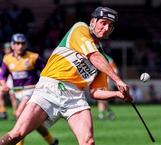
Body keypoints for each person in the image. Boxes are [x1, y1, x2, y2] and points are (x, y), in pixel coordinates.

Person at [0, 7, 132, 145]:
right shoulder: (80, 28)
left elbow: (94, 92)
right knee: (17, 134)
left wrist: (118, 94)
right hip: (49, 88)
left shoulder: (103, 61)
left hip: (75, 97)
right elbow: (93, 56)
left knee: (88, 141)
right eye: (103, 23)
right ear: (93, 21)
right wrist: (117, 80)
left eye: (110, 26)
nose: (106, 28)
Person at [0, 34, 59, 145]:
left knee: (19, 115)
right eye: (17, 43)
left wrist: (45, 83)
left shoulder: (33, 57)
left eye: (22, 43)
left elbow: (46, 70)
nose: (20, 46)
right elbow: (2, 75)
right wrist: (4, 85)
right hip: (17, 92)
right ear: (12, 45)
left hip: (31, 91)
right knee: (32, 122)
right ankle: (51, 141)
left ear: (26, 44)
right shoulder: (7, 59)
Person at [97, 54, 117, 120]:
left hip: (106, 81)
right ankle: (108, 112)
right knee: (100, 98)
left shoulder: (108, 58)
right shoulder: (94, 56)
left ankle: (102, 114)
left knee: (101, 98)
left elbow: (115, 70)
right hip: (98, 80)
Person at [0, 42, 16, 120]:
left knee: (12, 96)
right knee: (0, 95)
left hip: (11, 78)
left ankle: (16, 113)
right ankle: (3, 112)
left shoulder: (14, 57)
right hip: (4, 79)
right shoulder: (4, 58)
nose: (8, 50)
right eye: (6, 49)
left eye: (9, 48)